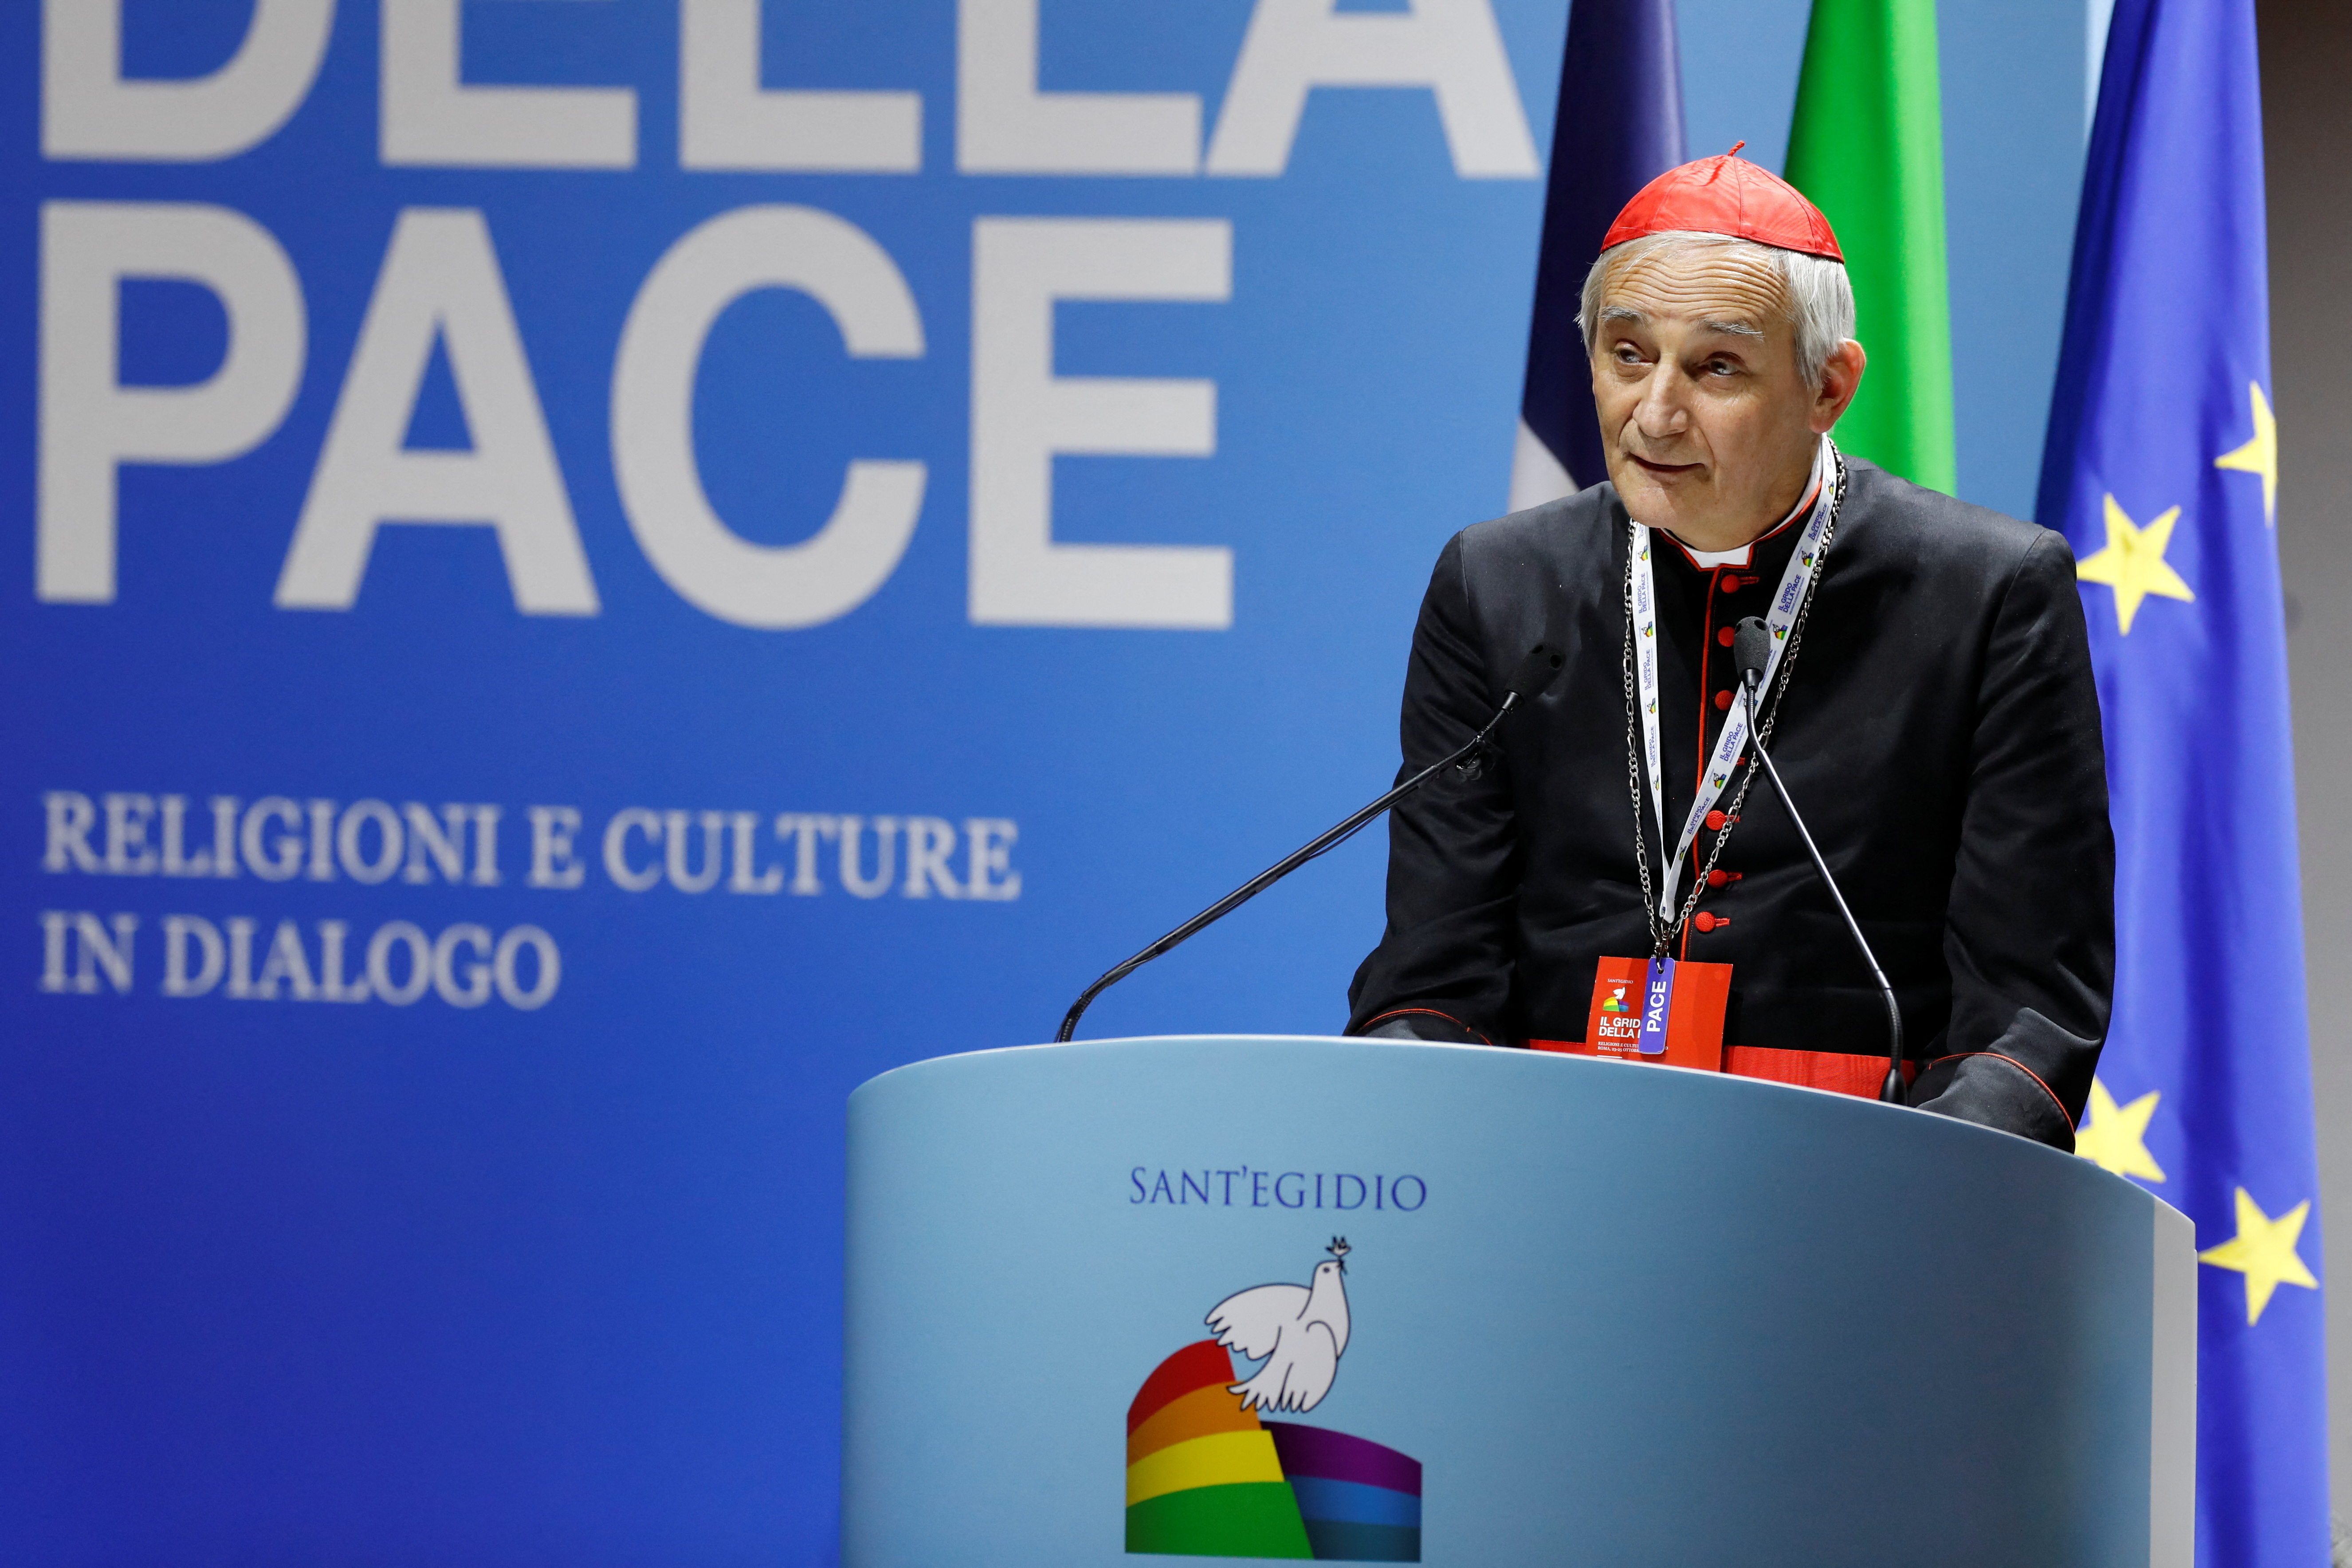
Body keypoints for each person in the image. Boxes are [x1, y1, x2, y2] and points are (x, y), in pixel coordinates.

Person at [1346, 151, 2112, 1150]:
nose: (1656, 412)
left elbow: (2030, 1011)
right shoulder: (1498, 584)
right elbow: (1433, 975)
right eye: (1628, 354)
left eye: (1716, 367)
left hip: (1860, 1172)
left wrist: (1920, 1184)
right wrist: (1425, 1145)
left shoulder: (1987, 591)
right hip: (1542, 1169)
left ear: (1829, 386)